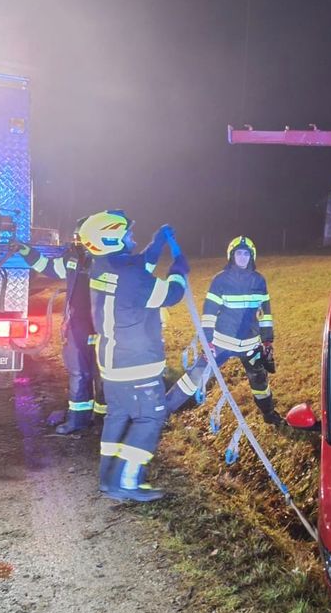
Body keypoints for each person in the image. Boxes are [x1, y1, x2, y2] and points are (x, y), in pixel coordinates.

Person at [79, 210, 189, 501]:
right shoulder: (130, 276)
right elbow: (171, 294)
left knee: (118, 417)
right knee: (150, 419)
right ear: (111, 238)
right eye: (127, 234)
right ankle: (127, 482)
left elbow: (138, 264)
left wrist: (157, 243)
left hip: (113, 365)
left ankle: (107, 478)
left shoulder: (102, 264)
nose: (131, 237)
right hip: (136, 364)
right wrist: (179, 269)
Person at [166, 235, 283, 426]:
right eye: (239, 253)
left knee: (260, 382)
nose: (243, 257)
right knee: (195, 376)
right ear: (232, 255)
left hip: (250, 345)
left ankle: (269, 414)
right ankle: (165, 409)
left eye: (247, 253)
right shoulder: (220, 280)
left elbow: (265, 313)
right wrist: (208, 341)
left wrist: (267, 341)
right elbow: (209, 313)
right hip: (221, 343)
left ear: (252, 256)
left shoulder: (259, 280)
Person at [15, 220, 106, 435]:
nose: (76, 241)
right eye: (76, 237)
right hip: (77, 325)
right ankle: (78, 419)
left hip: (104, 324)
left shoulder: (109, 260)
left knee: (103, 372)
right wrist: (27, 251)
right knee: (78, 372)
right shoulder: (72, 257)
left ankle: (103, 419)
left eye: (80, 236)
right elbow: (49, 267)